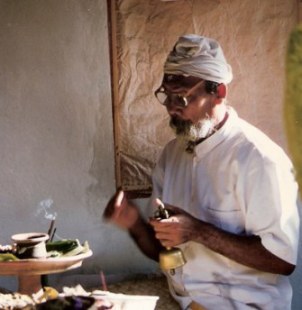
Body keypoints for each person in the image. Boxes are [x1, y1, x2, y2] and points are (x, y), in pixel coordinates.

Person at [103, 34, 300, 310]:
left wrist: (198, 231)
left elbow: (282, 260)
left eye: (182, 98)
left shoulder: (259, 159)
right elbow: (165, 253)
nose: (171, 108)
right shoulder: (172, 155)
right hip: (186, 303)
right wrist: (134, 222)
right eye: (167, 96)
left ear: (219, 92)